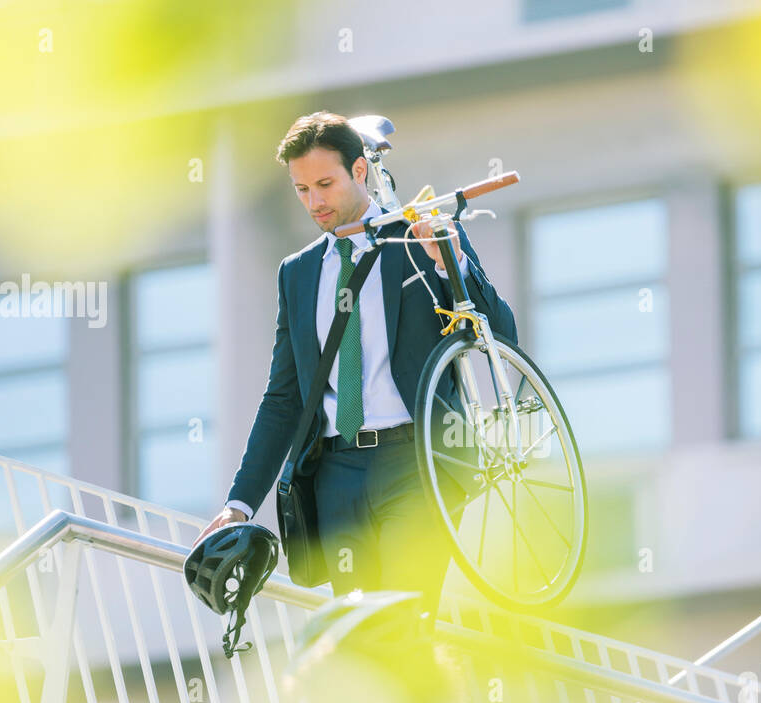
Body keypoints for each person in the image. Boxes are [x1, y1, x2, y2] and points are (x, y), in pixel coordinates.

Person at [192, 110, 518, 628]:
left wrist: (447, 262)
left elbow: (498, 333)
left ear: (360, 171)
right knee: (359, 634)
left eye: (325, 183)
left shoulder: (418, 238)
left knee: (404, 619)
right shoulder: (297, 274)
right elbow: (284, 397)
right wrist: (239, 504)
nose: (314, 202)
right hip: (336, 476)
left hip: (417, 463)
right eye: (301, 189)